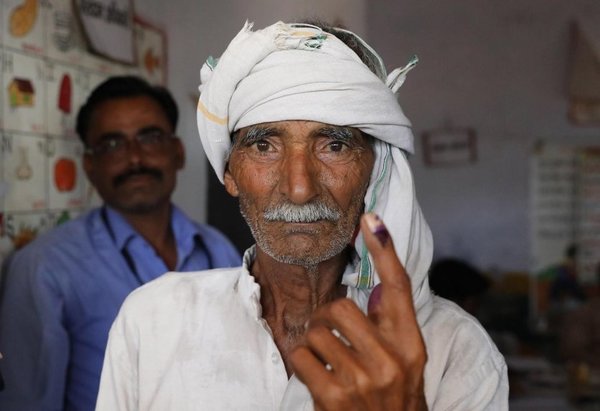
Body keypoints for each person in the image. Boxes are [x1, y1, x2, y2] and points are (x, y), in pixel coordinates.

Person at [96, 22, 508, 410]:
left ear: (375, 169)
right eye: (263, 146)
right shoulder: (153, 320)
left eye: (334, 145)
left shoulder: (454, 348)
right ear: (229, 173)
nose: (299, 188)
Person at [0, 76, 241, 411]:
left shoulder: (220, 251)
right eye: (112, 144)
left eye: (150, 137)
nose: (135, 159)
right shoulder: (45, 268)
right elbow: (28, 403)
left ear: (178, 153)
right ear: (90, 166)